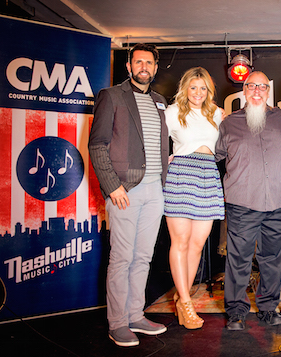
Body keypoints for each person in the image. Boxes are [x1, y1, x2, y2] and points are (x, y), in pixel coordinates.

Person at [89, 43, 169, 347]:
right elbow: (97, 145)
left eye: (149, 62)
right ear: (129, 66)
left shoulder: (160, 101)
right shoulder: (112, 96)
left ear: (156, 67)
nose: (144, 67)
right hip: (125, 190)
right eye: (138, 62)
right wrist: (112, 186)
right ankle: (117, 323)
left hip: (154, 190)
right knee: (121, 258)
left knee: (143, 257)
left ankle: (136, 314)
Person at [215, 71, 281, 331]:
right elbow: (214, 155)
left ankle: (268, 308)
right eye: (251, 86)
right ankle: (236, 312)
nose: (257, 90)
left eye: (262, 86)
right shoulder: (228, 123)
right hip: (242, 203)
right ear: (244, 90)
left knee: (273, 259)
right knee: (239, 259)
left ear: (268, 90)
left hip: (279, 201)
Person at [163, 67, 225, 329]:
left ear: (208, 90)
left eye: (203, 88)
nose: (198, 93)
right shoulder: (172, 112)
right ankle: (187, 303)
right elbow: (154, 141)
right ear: (185, 88)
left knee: (197, 244)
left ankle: (181, 298)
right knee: (181, 241)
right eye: (193, 87)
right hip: (181, 173)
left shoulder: (217, 113)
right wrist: (164, 162)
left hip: (208, 174)